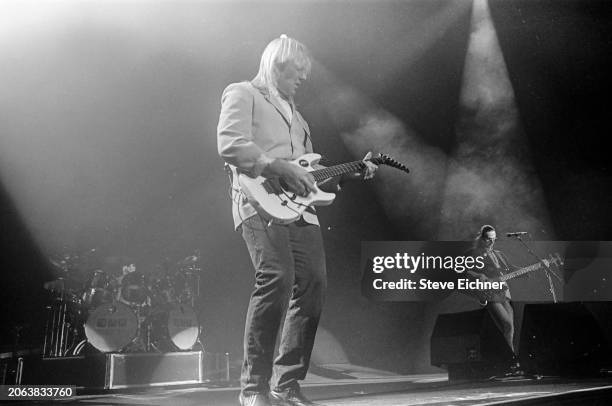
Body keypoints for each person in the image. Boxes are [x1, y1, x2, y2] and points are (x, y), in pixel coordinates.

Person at [217, 35, 377, 406]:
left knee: (314, 285)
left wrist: (349, 173)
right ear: (276, 64)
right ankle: (253, 390)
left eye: (306, 72)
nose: (302, 78)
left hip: (300, 210)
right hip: (257, 202)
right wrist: (276, 165)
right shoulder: (243, 93)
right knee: (277, 277)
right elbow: (230, 144)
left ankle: (285, 384)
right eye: (297, 71)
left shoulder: (299, 118)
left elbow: (309, 173)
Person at [466, 225, 521, 374]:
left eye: (494, 239)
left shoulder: (499, 254)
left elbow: (509, 268)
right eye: (488, 239)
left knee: (510, 328)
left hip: (503, 293)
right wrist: (480, 277)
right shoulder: (474, 254)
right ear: (482, 239)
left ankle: (510, 361)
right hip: (490, 294)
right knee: (506, 324)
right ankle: (510, 360)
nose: (492, 242)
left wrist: (525, 271)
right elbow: (465, 270)